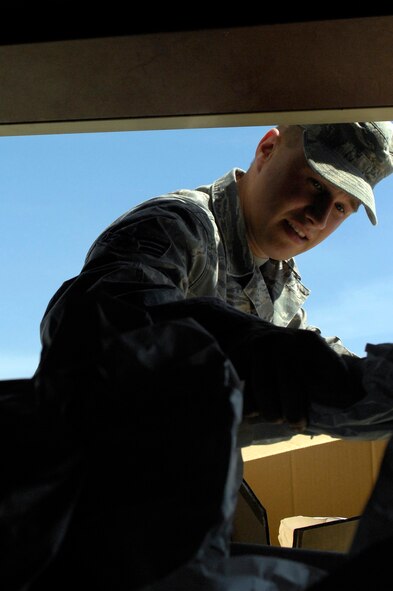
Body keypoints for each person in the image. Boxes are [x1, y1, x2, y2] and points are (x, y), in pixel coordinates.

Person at [2, 122, 393, 591]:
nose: (318, 216)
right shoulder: (176, 224)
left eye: (341, 207)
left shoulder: (280, 284)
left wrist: (372, 380)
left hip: (172, 526)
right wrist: (282, 362)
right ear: (267, 149)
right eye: (314, 184)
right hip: (73, 528)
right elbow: (103, 319)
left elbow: (312, 360)